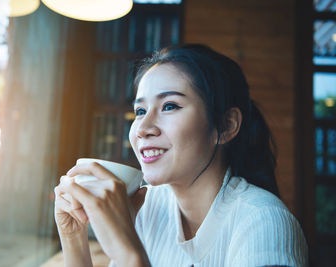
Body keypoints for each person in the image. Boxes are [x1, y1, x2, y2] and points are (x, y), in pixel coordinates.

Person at [54, 44, 308, 267]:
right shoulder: (150, 206)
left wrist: (130, 255)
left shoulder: (264, 222)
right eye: (140, 110)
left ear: (226, 126)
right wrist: (74, 238)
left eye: (170, 106)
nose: (142, 129)